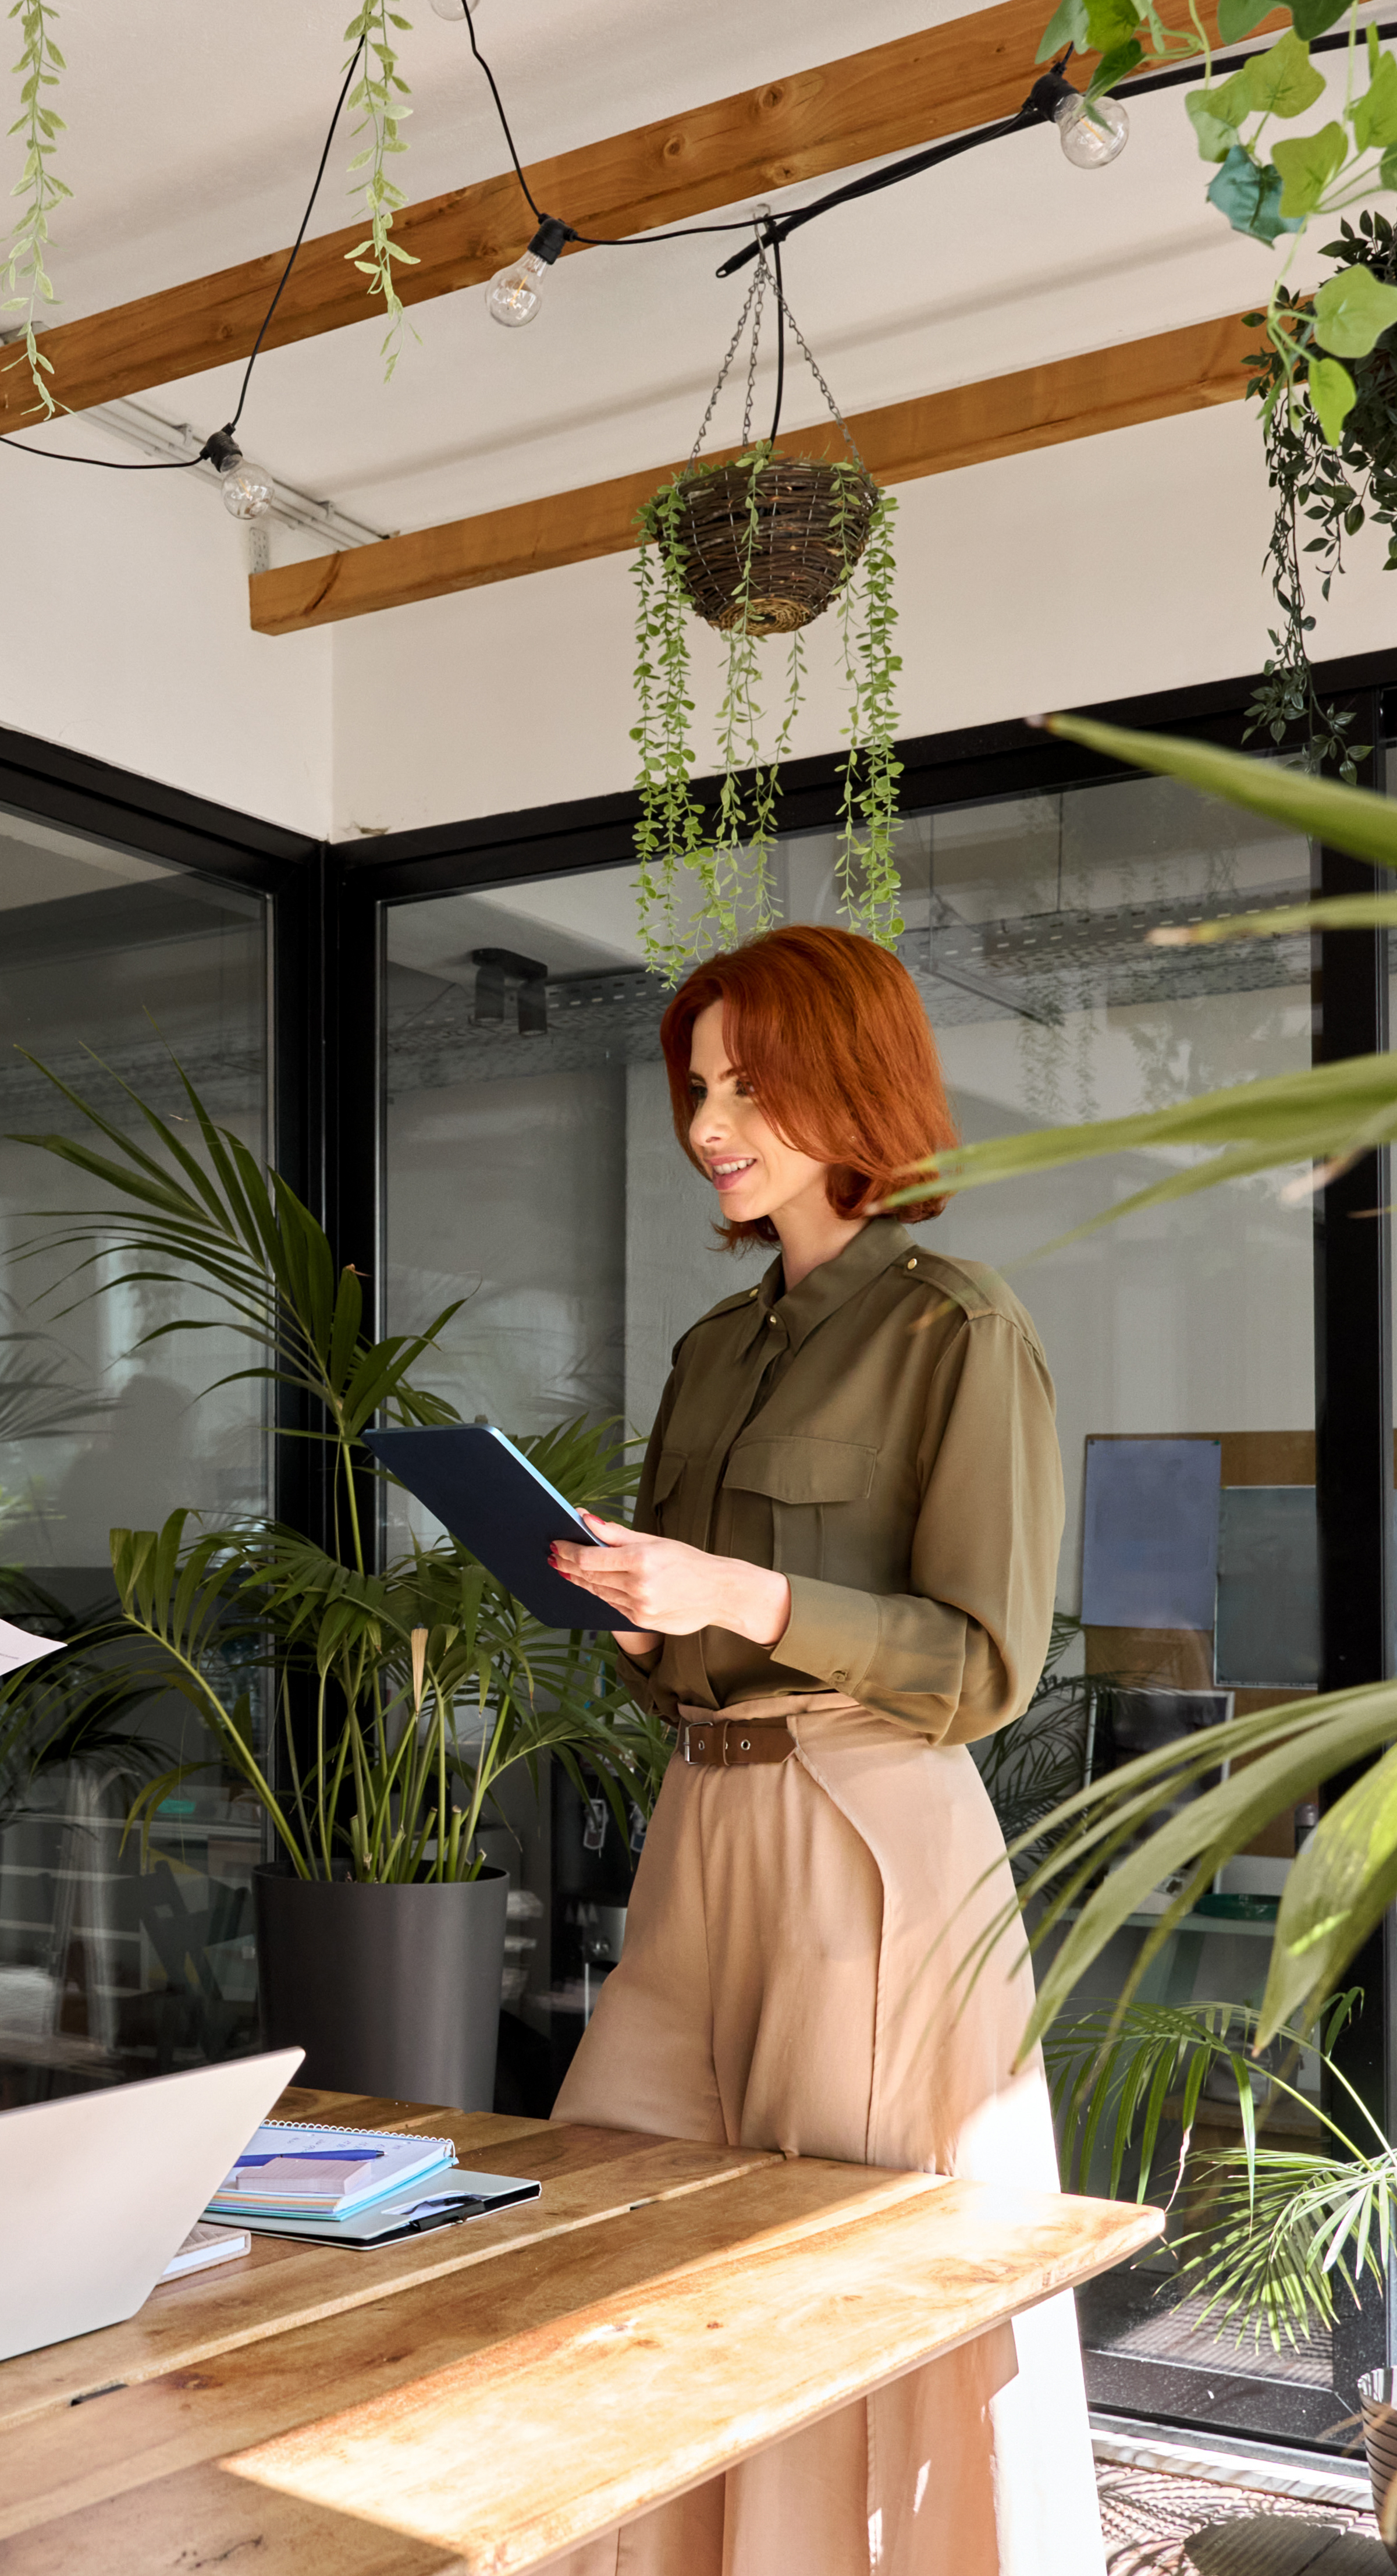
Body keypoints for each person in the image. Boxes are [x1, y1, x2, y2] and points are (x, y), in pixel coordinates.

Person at [537, 925, 1094, 2576]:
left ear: (853, 1085)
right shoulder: (717, 1348)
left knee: (816, 2266)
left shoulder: (953, 1326)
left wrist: (740, 1587)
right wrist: (647, 1620)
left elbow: (985, 1661)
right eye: (698, 1086)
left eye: (751, 1082)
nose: (712, 1121)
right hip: (697, 1829)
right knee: (612, 2213)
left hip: (869, 1824)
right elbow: (697, 1643)